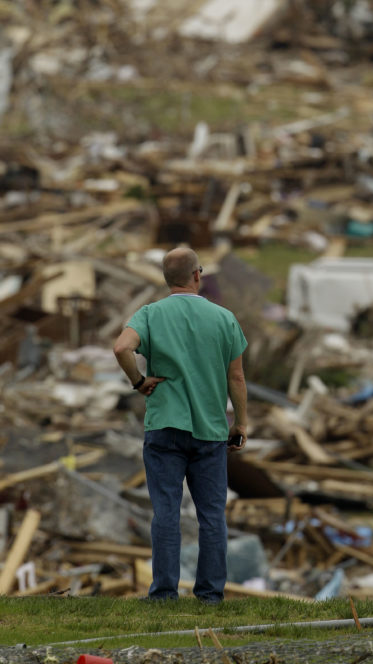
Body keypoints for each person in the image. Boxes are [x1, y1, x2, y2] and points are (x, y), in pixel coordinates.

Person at [113, 246, 248, 603]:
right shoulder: (224, 318)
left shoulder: (150, 314)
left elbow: (121, 348)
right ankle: (210, 594)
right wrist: (242, 424)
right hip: (210, 431)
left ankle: (164, 593)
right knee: (211, 517)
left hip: (165, 428)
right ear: (197, 275)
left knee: (167, 514)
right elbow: (236, 377)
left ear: (165, 278)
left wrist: (139, 382)